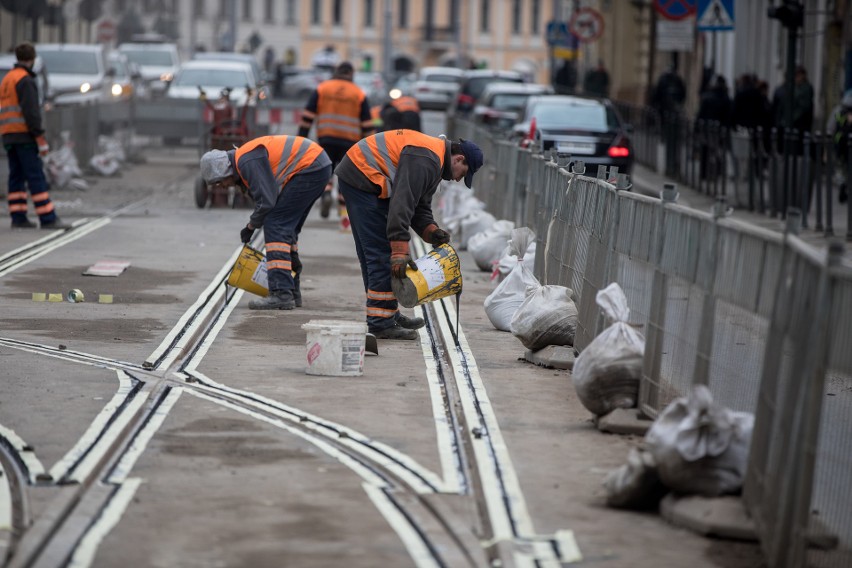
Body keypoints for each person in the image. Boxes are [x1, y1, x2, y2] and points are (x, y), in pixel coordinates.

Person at [335, 130, 484, 340]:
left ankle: (387, 313)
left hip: (362, 174)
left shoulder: (435, 162)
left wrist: (431, 231)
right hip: (363, 177)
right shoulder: (425, 159)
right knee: (381, 254)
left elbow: (419, 206)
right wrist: (399, 249)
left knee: (377, 253)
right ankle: (380, 323)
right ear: (459, 159)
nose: (459, 179)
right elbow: (402, 202)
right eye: (463, 173)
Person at [199, 135, 332, 310]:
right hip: (316, 165)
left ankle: (281, 293)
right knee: (286, 228)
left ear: (224, 170)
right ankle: (292, 291)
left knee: (275, 224)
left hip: (310, 167)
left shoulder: (247, 161)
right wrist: (252, 224)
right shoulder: (245, 160)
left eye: (219, 182)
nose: (222, 187)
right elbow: (268, 196)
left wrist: (251, 225)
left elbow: (267, 201)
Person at [1, 43, 68, 229]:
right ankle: (47, 217)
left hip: (8, 134)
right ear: (32, 59)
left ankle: (18, 216)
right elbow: (31, 112)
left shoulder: (8, 79)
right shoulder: (26, 81)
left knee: (16, 176)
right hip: (24, 135)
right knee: (35, 175)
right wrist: (38, 134)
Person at [298, 61, 375, 218]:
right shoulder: (358, 93)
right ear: (351, 74)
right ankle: (343, 211)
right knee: (347, 174)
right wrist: (371, 149)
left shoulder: (323, 88)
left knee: (327, 169)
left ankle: (326, 193)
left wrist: (301, 139)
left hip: (327, 137)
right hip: (350, 141)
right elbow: (367, 123)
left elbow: (308, 116)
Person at [826, 89, 852, 203]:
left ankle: (842, 183)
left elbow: (830, 127)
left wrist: (828, 141)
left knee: (841, 167)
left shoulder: (839, 110)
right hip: (849, 144)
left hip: (839, 142)